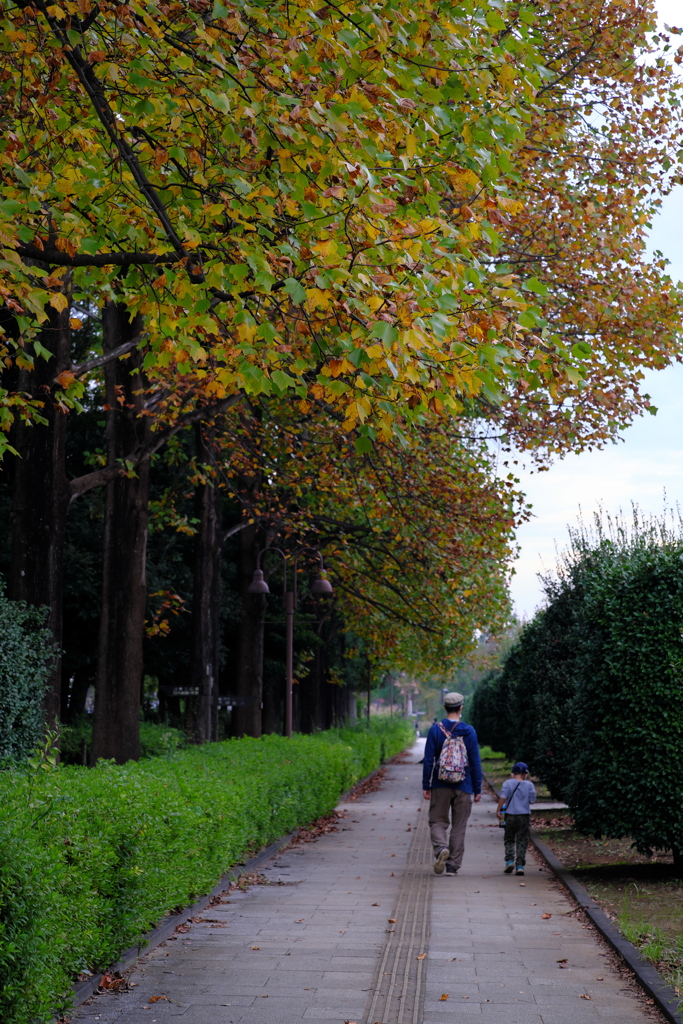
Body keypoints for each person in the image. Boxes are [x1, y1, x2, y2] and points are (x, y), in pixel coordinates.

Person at [422, 691, 482, 876]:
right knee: (459, 826)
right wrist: (477, 788)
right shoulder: (469, 731)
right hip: (464, 785)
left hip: (440, 784)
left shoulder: (435, 730)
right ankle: (452, 866)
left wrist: (427, 785)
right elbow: (475, 761)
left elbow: (428, 760)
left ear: (445, 708)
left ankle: (441, 849)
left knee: (437, 821)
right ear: (461, 707)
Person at [496, 762, 536, 876]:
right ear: (525, 774)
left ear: (513, 773)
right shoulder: (529, 785)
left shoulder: (507, 783)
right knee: (522, 840)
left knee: (509, 839)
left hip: (509, 815)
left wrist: (498, 810)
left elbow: (503, 797)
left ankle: (509, 861)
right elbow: (532, 800)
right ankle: (520, 865)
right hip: (524, 815)